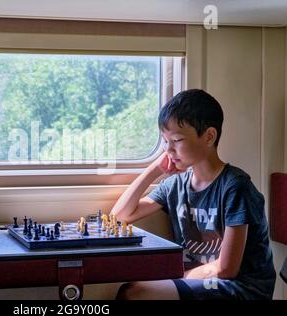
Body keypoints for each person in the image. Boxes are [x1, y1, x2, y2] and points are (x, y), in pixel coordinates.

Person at [113, 89, 275, 300]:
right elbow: (120, 216)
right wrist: (155, 169)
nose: (168, 149)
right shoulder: (176, 184)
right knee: (130, 290)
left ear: (209, 136)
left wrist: (178, 278)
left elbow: (227, 269)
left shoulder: (235, 187)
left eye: (177, 140)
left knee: (135, 294)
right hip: (203, 280)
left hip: (240, 288)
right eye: (164, 141)